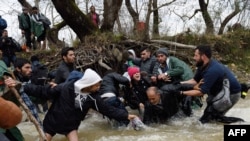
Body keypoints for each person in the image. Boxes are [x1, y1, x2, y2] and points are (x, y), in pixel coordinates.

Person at [22, 68, 138, 141]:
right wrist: (23, 87)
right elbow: (43, 91)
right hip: (53, 121)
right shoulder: (66, 87)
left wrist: (125, 115)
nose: (99, 87)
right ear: (89, 84)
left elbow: (107, 109)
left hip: (71, 125)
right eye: (96, 85)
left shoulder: (93, 97)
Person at [180, 44, 244, 123]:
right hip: (217, 91)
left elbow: (200, 92)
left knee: (213, 119)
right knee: (207, 117)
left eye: (195, 55)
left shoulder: (212, 70)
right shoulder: (202, 65)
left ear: (203, 56)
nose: (194, 58)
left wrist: (181, 93)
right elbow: (194, 81)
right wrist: (179, 84)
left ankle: (241, 123)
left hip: (231, 94)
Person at [13, 58, 43, 126]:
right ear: (18, 69)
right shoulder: (12, 79)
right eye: (27, 67)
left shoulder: (29, 76)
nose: (30, 70)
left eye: (30, 67)